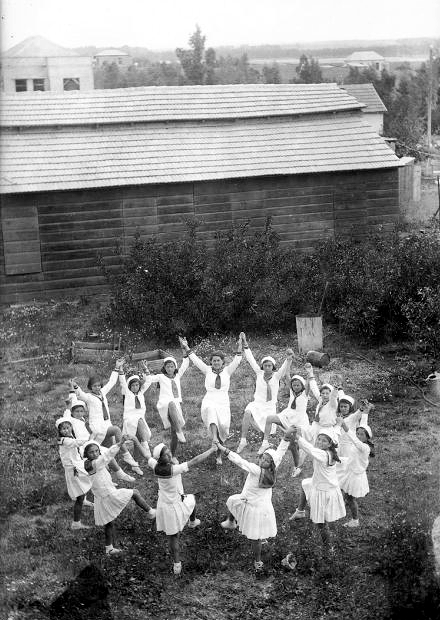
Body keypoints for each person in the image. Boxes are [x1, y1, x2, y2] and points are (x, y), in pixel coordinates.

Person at [133, 438, 216, 575]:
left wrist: (136, 440)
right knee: (174, 535)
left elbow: (146, 454)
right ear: (160, 458)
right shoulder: (173, 469)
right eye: (166, 455)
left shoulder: (155, 466)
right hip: (174, 505)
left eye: (169, 452)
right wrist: (212, 450)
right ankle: (177, 561)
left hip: (164, 504)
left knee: (190, 504)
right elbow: (195, 461)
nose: (169, 455)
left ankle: (192, 524)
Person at [217, 432, 291, 572]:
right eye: (262, 457)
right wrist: (286, 438)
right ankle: (231, 522)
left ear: (271, 465)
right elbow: (280, 453)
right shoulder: (272, 469)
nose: (262, 461)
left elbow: (240, 461)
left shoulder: (257, 470)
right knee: (233, 500)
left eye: (266, 460)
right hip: (262, 506)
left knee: (254, 537)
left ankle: (258, 561)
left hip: (253, 507)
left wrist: (223, 449)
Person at [83, 437, 156, 555]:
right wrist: (120, 443)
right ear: (86, 454)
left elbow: (101, 475)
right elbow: (106, 456)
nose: (95, 453)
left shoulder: (93, 463)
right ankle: (151, 512)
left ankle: (109, 548)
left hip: (103, 495)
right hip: (108, 495)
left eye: (97, 451)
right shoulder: (92, 464)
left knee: (109, 523)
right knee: (135, 492)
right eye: (91, 452)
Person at [179, 336, 242, 465]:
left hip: (223, 401)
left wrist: (241, 344)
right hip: (210, 399)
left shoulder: (227, 371)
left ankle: (218, 451)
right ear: (211, 362)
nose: (216, 363)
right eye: (214, 361)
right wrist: (186, 347)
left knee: (223, 427)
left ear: (223, 362)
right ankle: (214, 439)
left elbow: (238, 358)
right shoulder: (207, 370)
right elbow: (195, 359)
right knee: (211, 411)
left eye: (218, 361)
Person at [71, 361, 141, 474]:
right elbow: (80, 394)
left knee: (107, 453)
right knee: (117, 430)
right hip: (97, 427)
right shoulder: (89, 397)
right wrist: (75, 386)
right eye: (94, 386)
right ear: (90, 387)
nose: (97, 387)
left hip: (106, 424)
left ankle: (113, 474)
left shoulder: (103, 392)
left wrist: (117, 367)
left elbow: (112, 382)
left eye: (99, 385)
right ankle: (127, 456)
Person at [289, 428, 346, 557]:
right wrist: (337, 425)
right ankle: (300, 511)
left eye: (324, 441)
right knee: (305, 484)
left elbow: (310, 449)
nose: (320, 442)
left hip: (324, 491)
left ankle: (328, 548)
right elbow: (335, 433)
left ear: (330, 444)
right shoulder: (330, 450)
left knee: (321, 523)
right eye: (319, 439)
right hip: (320, 484)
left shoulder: (324, 454)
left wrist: (297, 437)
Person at [235, 332, 293, 455]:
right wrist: (245, 344)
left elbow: (284, 368)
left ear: (273, 367)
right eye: (265, 365)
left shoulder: (276, 377)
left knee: (268, 421)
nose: (267, 367)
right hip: (258, 403)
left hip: (269, 405)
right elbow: (251, 360)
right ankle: (243, 440)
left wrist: (288, 359)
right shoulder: (259, 373)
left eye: (269, 365)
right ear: (262, 366)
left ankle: (265, 442)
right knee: (247, 412)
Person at [258, 361, 316, 476]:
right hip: (287, 416)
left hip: (298, 421)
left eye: (298, 385)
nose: (295, 387)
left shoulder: (305, 394)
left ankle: (297, 466)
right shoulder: (292, 391)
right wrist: (289, 361)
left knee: (293, 445)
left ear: (302, 386)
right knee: (270, 418)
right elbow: (287, 375)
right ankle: (265, 442)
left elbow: (309, 382)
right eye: (294, 385)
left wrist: (310, 371)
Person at [143, 349, 189, 457]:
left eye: (172, 366)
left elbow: (185, 364)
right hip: (165, 404)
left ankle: (172, 455)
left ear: (175, 367)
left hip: (176, 406)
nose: (169, 368)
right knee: (171, 404)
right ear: (164, 368)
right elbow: (149, 379)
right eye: (167, 366)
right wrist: (145, 369)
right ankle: (179, 430)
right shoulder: (161, 377)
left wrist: (184, 350)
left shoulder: (177, 376)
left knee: (174, 434)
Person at [56, 416, 93, 530]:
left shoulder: (71, 436)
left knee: (87, 481)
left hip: (76, 465)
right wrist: (88, 439)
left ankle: (84, 499)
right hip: (72, 469)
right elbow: (76, 443)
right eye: (63, 429)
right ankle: (76, 523)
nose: (66, 430)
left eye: (68, 427)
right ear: (59, 431)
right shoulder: (63, 440)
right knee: (79, 495)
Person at [337, 416, 374, 528]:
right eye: (357, 433)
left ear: (367, 437)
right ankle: (340, 506)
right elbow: (352, 457)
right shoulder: (358, 443)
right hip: (350, 470)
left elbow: (355, 441)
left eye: (362, 434)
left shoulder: (365, 447)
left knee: (351, 498)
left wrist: (344, 426)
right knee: (343, 489)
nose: (358, 436)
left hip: (356, 475)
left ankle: (355, 520)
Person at [119, 361, 152, 473]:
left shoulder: (141, 393)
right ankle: (146, 447)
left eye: (137, 385)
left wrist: (146, 369)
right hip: (130, 418)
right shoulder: (127, 393)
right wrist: (120, 370)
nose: (135, 387)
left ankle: (135, 463)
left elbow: (149, 381)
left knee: (138, 439)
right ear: (129, 387)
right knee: (142, 435)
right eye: (132, 385)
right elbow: (122, 382)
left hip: (140, 419)